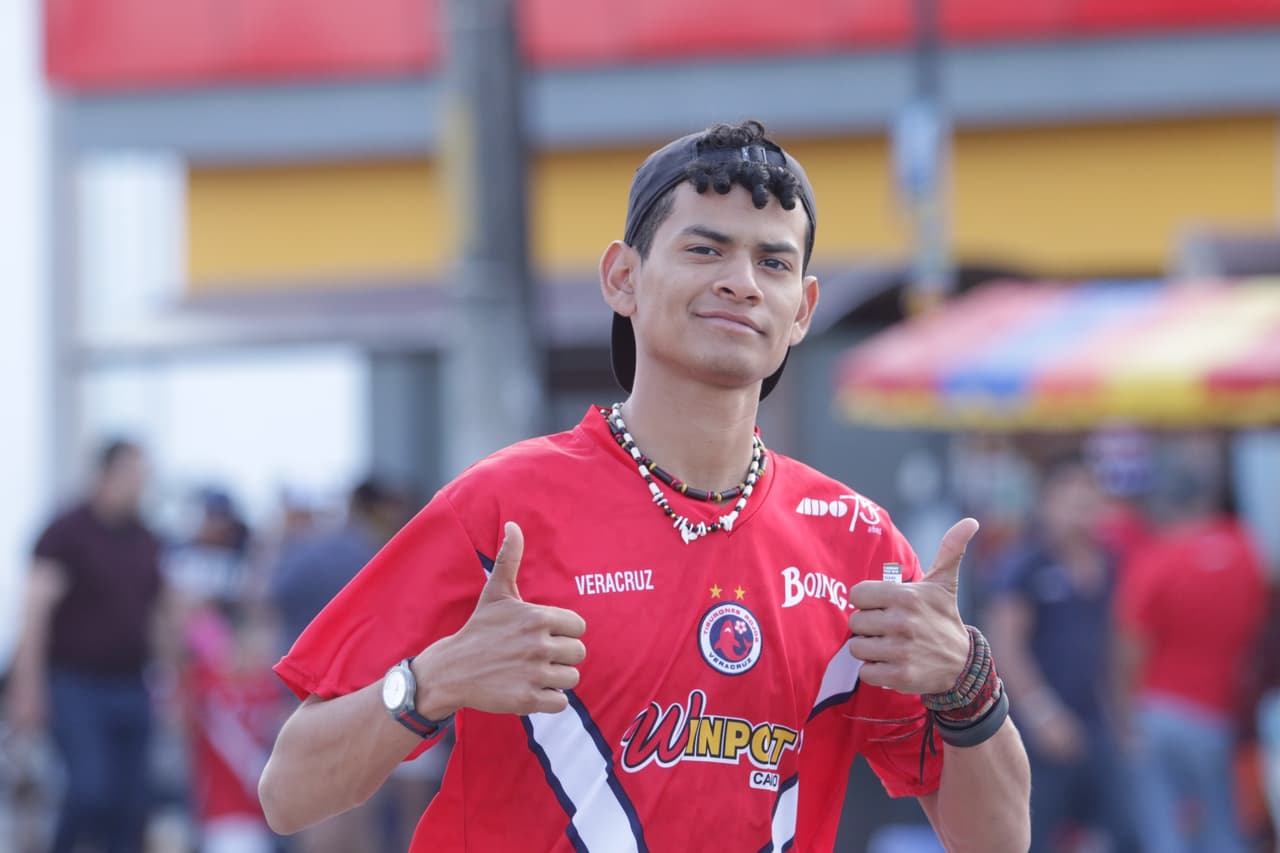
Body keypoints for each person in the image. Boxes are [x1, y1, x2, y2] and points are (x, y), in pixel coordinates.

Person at [258, 120, 1031, 851]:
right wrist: (435, 680)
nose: (741, 283)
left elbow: (998, 838)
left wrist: (966, 680)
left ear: (804, 308)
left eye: (773, 262)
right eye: (705, 249)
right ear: (622, 277)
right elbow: (289, 791)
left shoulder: (855, 542)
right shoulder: (503, 509)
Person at [6, 438, 165, 853]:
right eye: (133, 475)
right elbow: (34, 612)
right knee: (89, 789)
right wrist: (28, 688)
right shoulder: (66, 533)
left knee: (131, 804)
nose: (140, 485)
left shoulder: (145, 539)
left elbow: (157, 615)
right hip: (76, 684)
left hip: (131, 684)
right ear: (105, 475)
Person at [984, 456, 1134, 852]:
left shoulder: (1111, 561)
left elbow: (1117, 643)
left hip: (1096, 720)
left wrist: (1122, 715)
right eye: (1071, 502)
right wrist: (1042, 712)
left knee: (1120, 829)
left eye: (1088, 502)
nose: (1080, 513)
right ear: (1048, 503)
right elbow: (1006, 642)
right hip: (1039, 728)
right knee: (1037, 832)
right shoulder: (1025, 563)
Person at [1116, 465, 1268, 853]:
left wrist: (1124, 711)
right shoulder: (1246, 550)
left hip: (1157, 707)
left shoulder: (1157, 559)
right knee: (1222, 823)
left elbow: (1132, 643)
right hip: (1220, 710)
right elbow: (1260, 628)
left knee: (1164, 825)